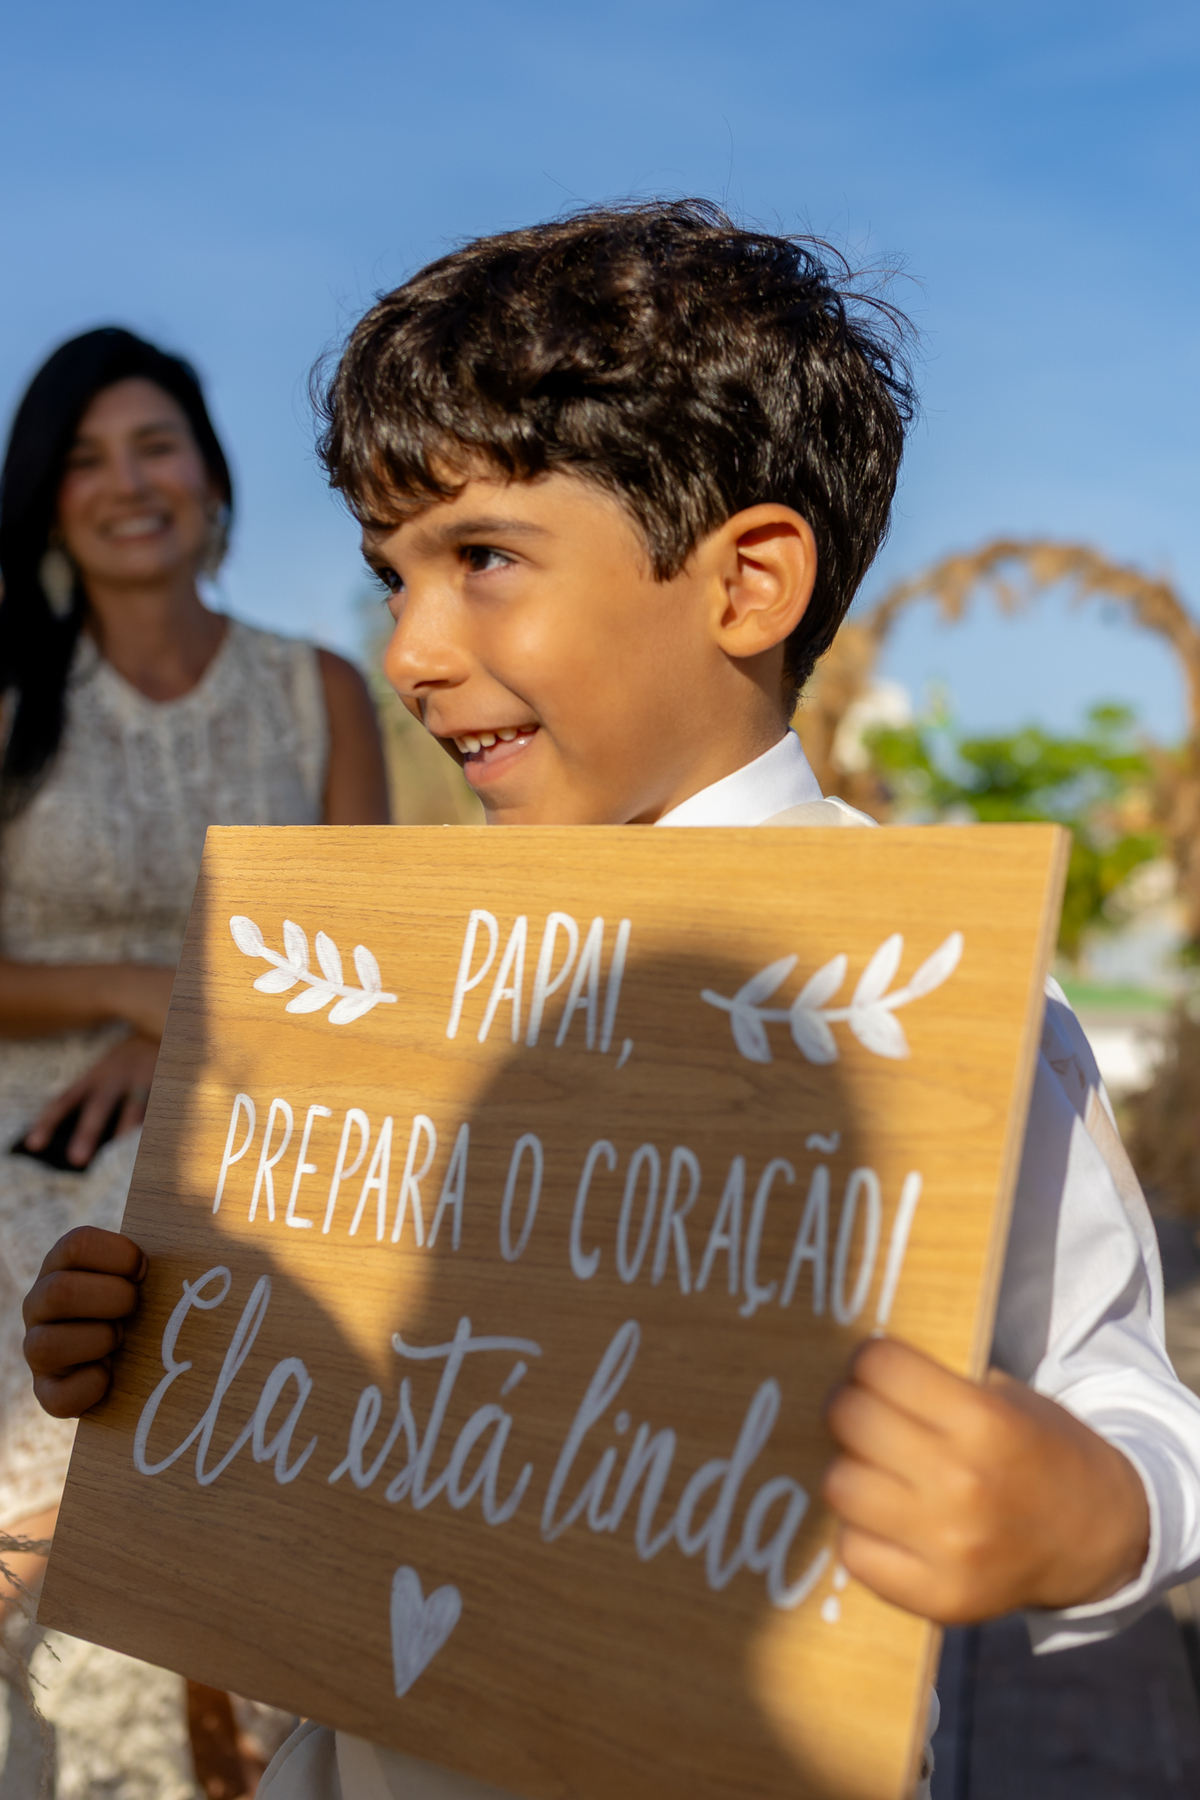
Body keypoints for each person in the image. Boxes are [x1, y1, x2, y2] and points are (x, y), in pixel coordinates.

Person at [21, 206, 1200, 1800]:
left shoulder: (917, 987)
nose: (412, 651)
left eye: (482, 560)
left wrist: (1093, 1512)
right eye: (389, 576)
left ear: (747, 582)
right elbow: (368, 1358)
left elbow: (1118, 1386)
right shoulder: (403, 981)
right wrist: (161, 1345)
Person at [0, 326, 388, 1795]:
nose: (127, 482)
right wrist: (141, 993)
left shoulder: (317, 689)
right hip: (29, 1154)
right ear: (49, 499)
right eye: (86, 458)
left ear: (212, 477)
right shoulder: (11, 695)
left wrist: (193, 1030)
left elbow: (375, 959)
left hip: (263, 1142)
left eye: (155, 445)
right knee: (58, 1537)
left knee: (264, 1521)